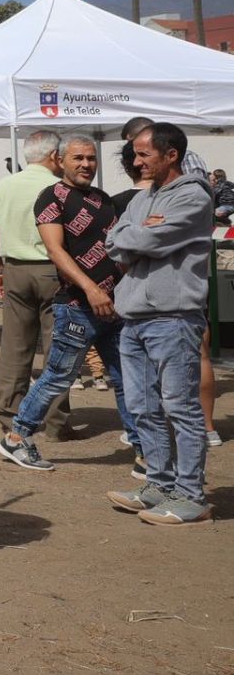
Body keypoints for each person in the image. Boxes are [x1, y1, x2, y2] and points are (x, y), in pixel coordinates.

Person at [0, 137, 139, 470]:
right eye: (78, 158)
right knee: (58, 375)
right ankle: (16, 438)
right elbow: (56, 251)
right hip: (76, 305)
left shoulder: (103, 200)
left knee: (126, 378)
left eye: (91, 158)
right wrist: (90, 288)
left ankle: (144, 450)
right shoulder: (51, 198)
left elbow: (118, 246)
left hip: (113, 308)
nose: (86, 164)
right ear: (60, 160)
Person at [102, 122, 214, 525]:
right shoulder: (141, 198)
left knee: (180, 407)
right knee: (142, 407)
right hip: (133, 318)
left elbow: (143, 242)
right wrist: (138, 232)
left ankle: (191, 495)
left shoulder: (193, 194)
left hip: (172, 317)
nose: (136, 162)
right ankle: (158, 484)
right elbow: (114, 243)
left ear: (171, 155)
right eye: (135, 154)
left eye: (145, 154)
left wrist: (138, 235)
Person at [0, 132, 70, 438]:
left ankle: (9, 414)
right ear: (53, 156)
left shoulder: (6, 185)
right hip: (53, 270)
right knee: (57, 346)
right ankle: (56, 420)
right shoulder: (59, 187)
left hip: (15, 269)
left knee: (14, 347)